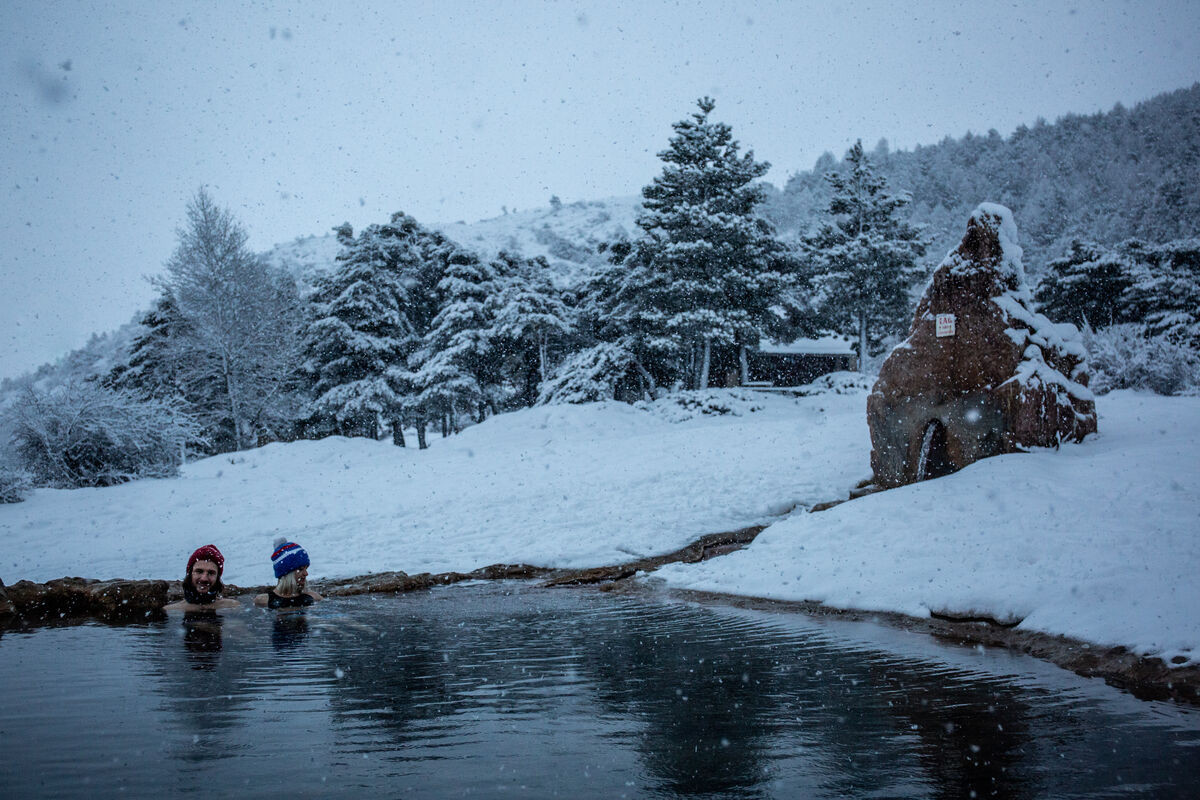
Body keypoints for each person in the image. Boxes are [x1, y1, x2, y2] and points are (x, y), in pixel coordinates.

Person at [164, 544, 240, 611]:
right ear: (190, 574)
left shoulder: (232, 607)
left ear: (217, 577)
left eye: (211, 573)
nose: (204, 578)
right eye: (199, 571)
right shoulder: (171, 610)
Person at [255, 539, 323, 608]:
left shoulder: (314, 597)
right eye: (300, 569)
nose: (306, 573)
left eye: (306, 568)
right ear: (286, 574)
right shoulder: (263, 600)